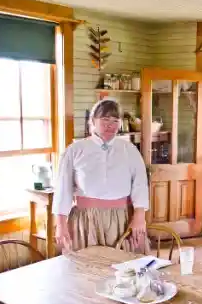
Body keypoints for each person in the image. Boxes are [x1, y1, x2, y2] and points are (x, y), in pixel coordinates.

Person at [53, 99, 149, 253]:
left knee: (124, 268)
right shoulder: (74, 150)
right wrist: (61, 225)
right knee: (87, 269)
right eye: (104, 119)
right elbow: (62, 190)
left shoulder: (129, 150)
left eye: (115, 121)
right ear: (92, 121)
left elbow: (140, 185)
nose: (110, 125)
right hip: (86, 220)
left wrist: (139, 217)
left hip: (122, 218)